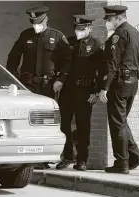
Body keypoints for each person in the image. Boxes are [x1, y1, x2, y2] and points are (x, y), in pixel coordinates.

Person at [6, 6, 72, 169]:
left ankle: (49, 156)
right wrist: (13, 78)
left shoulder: (57, 37)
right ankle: (32, 158)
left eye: (38, 22)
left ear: (46, 20)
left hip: (48, 85)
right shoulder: (26, 36)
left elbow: (68, 60)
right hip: (28, 86)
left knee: (47, 122)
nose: (36, 25)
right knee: (29, 121)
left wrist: (61, 80)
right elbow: (13, 57)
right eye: (33, 22)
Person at [56, 15, 105, 171]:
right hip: (67, 91)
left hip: (85, 91)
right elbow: (61, 63)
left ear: (89, 28)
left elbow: (102, 69)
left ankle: (82, 160)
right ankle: (67, 156)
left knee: (83, 126)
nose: (79, 31)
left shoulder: (96, 44)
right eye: (77, 29)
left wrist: (97, 91)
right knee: (64, 125)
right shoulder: (68, 42)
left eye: (82, 29)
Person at [99, 5, 139, 174]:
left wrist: (104, 87)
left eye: (109, 19)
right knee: (121, 121)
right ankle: (134, 155)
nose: (107, 23)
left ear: (118, 18)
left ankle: (122, 163)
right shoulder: (135, 32)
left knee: (117, 123)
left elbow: (112, 63)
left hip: (119, 83)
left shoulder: (118, 35)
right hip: (132, 81)